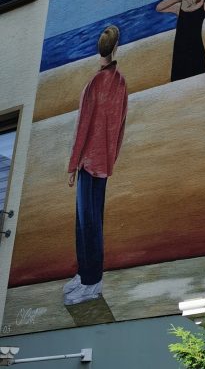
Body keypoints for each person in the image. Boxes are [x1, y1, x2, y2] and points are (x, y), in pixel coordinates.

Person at [63, 25, 128, 306]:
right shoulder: (121, 81)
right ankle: (85, 274)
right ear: (116, 49)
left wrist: (72, 165)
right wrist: (111, 157)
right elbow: (121, 125)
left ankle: (91, 282)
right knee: (91, 222)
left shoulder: (93, 84)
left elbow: (83, 128)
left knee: (86, 223)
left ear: (99, 50)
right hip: (102, 162)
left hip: (89, 162)